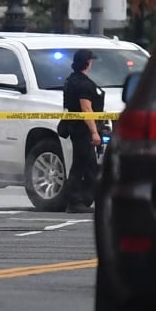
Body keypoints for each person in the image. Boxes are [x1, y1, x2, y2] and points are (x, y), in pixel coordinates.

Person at [63, 48, 104, 214]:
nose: (92, 63)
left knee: (90, 166)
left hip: (75, 127)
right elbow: (86, 109)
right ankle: (74, 201)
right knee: (80, 165)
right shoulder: (83, 84)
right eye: (91, 60)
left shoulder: (71, 80)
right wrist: (94, 132)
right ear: (87, 63)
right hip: (83, 129)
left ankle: (87, 199)